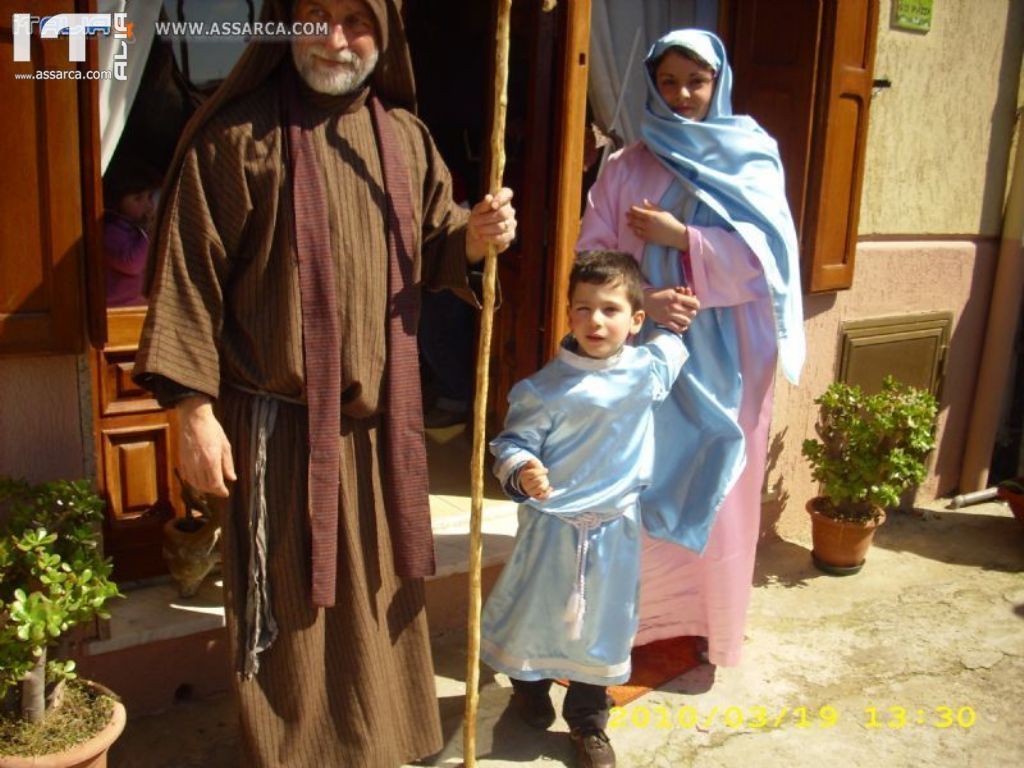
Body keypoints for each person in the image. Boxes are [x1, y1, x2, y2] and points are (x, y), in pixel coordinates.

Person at [132, 2, 516, 766]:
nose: (336, 38)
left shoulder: (405, 138)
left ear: (385, 33)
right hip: (279, 432)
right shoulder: (234, 137)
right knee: (296, 619)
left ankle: (381, 746)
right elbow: (187, 283)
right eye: (316, 15)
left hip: (381, 435)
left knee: (383, 599)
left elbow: (432, 246)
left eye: (356, 19)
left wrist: (471, 239)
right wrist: (193, 412)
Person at [577, 29, 805, 669]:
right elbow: (592, 254)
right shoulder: (627, 166)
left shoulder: (752, 157)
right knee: (640, 478)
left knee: (720, 482)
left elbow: (771, 263)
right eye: (669, 82)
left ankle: (707, 623)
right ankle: (636, 626)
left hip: (730, 351)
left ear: (718, 82)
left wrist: (685, 238)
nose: (681, 95)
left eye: (695, 82)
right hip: (644, 349)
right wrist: (644, 299)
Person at [481, 251, 689, 768]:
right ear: (568, 313)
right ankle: (528, 691)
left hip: (615, 531)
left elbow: (679, 337)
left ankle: (588, 720)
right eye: (583, 308)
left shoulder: (649, 370)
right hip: (552, 530)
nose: (595, 321)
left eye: (611, 309)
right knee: (533, 615)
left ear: (635, 320)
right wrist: (525, 467)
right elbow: (509, 443)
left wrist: (673, 308)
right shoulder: (543, 388)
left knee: (605, 626)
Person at [102, 162, 160, 307]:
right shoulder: (110, 231)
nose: (148, 205)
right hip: (117, 310)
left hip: (140, 307)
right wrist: (149, 231)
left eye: (150, 197)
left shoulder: (137, 230)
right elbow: (133, 264)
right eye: (138, 198)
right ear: (117, 200)